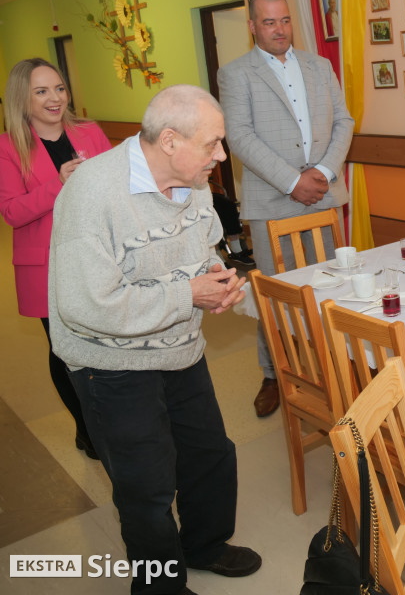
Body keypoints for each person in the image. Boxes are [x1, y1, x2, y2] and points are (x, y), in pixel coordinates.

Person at [49, 85, 259, 595]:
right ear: (169, 140)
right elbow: (86, 306)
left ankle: (205, 545)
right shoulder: (93, 195)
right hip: (109, 362)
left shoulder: (196, 180)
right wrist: (187, 294)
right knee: (146, 484)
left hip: (179, 347)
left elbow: (200, 245)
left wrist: (215, 277)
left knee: (210, 454)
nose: (221, 155)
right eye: (212, 144)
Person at [218, 0, 354, 417]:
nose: (279, 30)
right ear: (253, 26)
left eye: (285, 20)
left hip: (323, 194)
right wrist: (293, 181)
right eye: (269, 22)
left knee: (331, 286)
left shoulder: (319, 65)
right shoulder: (236, 73)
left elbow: (344, 121)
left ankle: (334, 363)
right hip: (272, 199)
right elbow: (239, 136)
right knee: (277, 294)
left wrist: (325, 173)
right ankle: (274, 372)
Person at [0, 58, 111, 459]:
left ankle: (112, 418)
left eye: (59, 88)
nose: (55, 99)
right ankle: (87, 429)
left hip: (96, 256)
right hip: (47, 267)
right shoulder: (9, 147)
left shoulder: (90, 132)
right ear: (22, 98)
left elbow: (116, 184)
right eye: (42, 91)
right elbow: (12, 212)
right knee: (65, 350)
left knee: (104, 341)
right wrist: (58, 183)